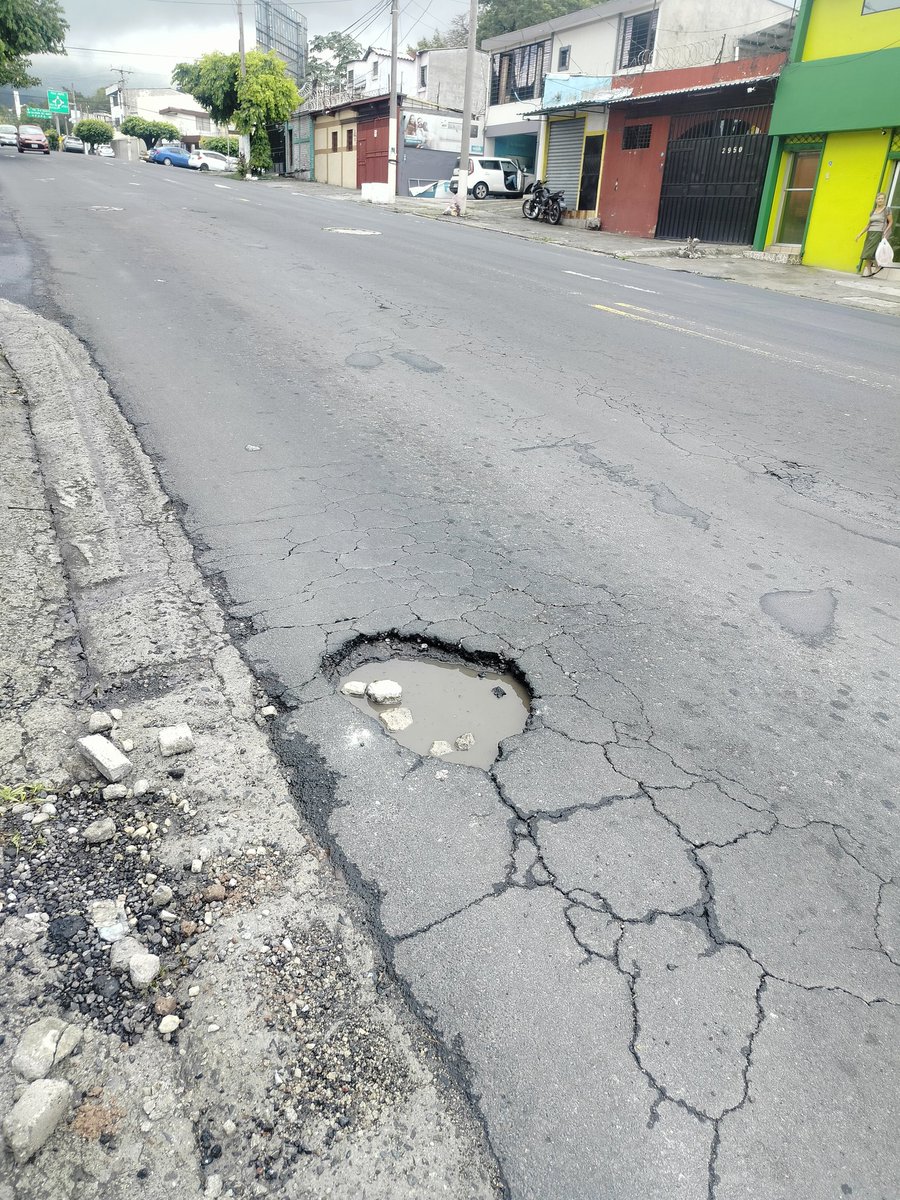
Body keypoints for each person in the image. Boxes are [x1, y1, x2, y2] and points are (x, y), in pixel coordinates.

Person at [855, 192, 893, 276]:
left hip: (878, 233)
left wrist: (886, 231)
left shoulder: (887, 209)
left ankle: (878, 266)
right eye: (879, 199)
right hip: (870, 233)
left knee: (869, 252)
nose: (880, 200)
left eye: (882, 199)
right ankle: (869, 272)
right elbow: (868, 224)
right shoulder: (873, 211)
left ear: (884, 200)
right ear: (876, 200)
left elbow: (890, 222)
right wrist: (860, 234)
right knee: (867, 252)